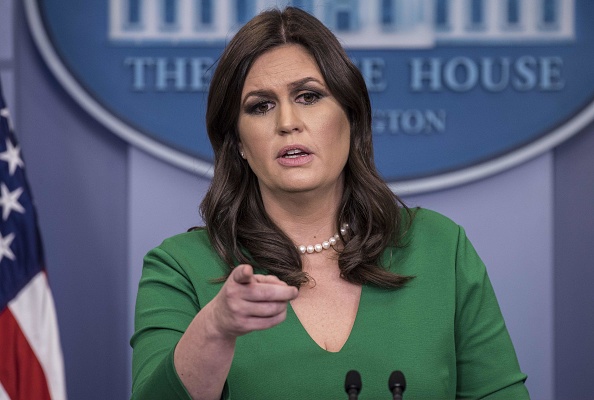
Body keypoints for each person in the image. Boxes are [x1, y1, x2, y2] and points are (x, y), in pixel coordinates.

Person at [130, 7, 529, 399]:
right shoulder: (179, 268)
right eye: (261, 106)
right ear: (238, 145)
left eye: (308, 96)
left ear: (351, 119)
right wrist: (215, 328)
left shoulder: (439, 247)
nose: (287, 122)